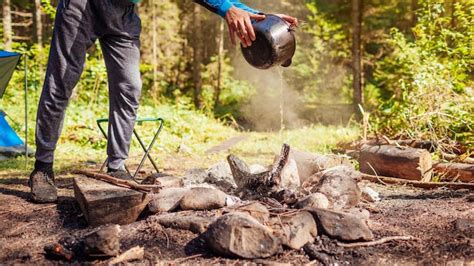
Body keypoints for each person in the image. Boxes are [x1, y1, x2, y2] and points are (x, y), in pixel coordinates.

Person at [29, 0, 298, 203]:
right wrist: (228, 8)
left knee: (129, 87)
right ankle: (42, 168)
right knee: (61, 82)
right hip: (84, 6)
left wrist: (252, 15)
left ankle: (117, 166)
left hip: (123, 13)